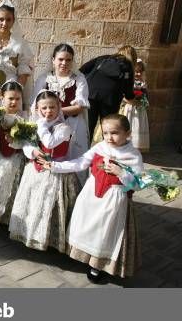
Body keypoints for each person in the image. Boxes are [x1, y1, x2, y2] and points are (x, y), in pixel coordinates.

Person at [42, 114, 142, 282]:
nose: (109, 137)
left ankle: (97, 264)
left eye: (115, 133)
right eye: (106, 133)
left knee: (104, 232)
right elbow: (80, 163)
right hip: (91, 196)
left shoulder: (133, 155)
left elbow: (137, 184)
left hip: (113, 200)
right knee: (86, 225)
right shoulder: (100, 148)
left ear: (128, 133)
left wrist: (121, 173)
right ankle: (83, 255)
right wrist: (55, 166)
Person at [9, 90, 79, 252]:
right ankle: (30, 235)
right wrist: (32, 151)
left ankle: (50, 240)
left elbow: (50, 142)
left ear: (59, 107)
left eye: (52, 107)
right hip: (35, 169)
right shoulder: (37, 125)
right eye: (44, 108)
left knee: (49, 205)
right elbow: (26, 143)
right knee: (33, 204)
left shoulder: (63, 128)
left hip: (56, 171)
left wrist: (40, 125)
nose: (48, 111)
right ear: (38, 109)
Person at [31, 43, 90, 183]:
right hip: (47, 125)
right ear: (53, 60)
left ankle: (73, 191)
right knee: (50, 156)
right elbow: (35, 105)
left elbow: (79, 107)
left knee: (73, 159)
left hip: (72, 125)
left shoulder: (79, 79)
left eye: (68, 60)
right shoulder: (43, 79)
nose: (64, 63)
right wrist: (48, 116)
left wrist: (55, 112)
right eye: (60, 59)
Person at [0, 81, 27, 225]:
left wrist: (15, 139)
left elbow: (25, 143)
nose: (14, 102)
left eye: (17, 99)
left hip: (13, 157)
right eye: (10, 98)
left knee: (10, 183)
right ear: (2, 97)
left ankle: (5, 217)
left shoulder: (24, 118)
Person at [79, 45, 136, 139]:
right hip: (111, 100)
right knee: (109, 127)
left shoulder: (103, 58)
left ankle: (84, 151)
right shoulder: (127, 65)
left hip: (90, 95)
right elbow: (128, 89)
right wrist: (132, 99)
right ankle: (106, 151)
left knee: (88, 127)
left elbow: (82, 70)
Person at [120, 59, 150, 151]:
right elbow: (122, 95)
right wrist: (129, 101)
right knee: (127, 124)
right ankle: (123, 146)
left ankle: (135, 147)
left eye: (140, 72)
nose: (138, 74)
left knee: (137, 127)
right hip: (129, 108)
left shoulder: (143, 84)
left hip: (139, 109)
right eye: (136, 72)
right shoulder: (128, 83)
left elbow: (145, 95)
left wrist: (142, 101)